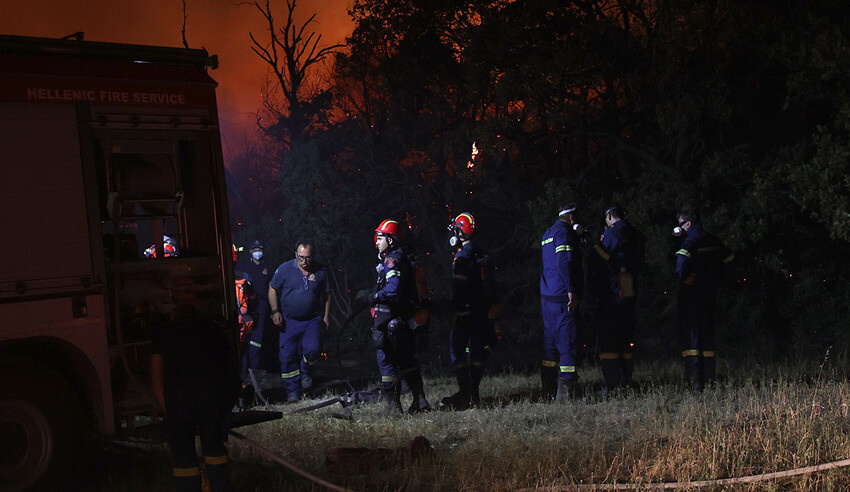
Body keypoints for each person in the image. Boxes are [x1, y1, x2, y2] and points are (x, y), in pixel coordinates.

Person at [150, 304, 239, 492]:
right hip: (213, 391)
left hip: (180, 394)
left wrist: (170, 411)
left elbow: (156, 377)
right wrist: (225, 406)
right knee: (213, 445)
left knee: (183, 451)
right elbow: (231, 366)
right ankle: (221, 487)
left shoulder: (164, 333)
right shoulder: (212, 330)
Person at [370, 219, 431, 414]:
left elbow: (392, 290)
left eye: (381, 238)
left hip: (390, 322)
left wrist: (372, 296)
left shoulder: (391, 261)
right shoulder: (405, 257)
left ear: (391, 240)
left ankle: (393, 406)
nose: (377, 242)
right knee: (407, 361)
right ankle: (420, 401)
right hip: (405, 321)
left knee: (386, 362)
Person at [674, 207, 734, 392]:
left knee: (693, 337)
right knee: (708, 336)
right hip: (710, 294)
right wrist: (718, 280)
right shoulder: (712, 239)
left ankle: (695, 383)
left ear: (688, 224)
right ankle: (710, 380)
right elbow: (730, 260)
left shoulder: (691, 241)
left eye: (680, 225)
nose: (678, 229)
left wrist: (684, 278)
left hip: (692, 296)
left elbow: (680, 263)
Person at [440, 212, 495, 409]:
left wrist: (455, 311)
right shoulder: (480, 253)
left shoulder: (462, 257)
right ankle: (474, 394)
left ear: (460, 232)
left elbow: (459, 287)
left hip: (466, 311)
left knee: (457, 352)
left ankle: (466, 393)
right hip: (481, 310)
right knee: (477, 351)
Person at [268, 240, 331, 402]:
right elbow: (272, 289)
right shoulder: (285, 269)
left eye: (307, 258)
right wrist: (275, 311)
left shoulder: (321, 271)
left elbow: (327, 294)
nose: (304, 261)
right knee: (287, 356)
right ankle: (292, 391)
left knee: (313, 348)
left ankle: (306, 370)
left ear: (313, 256)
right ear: (295, 254)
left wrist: (326, 316)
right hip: (289, 321)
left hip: (312, 320)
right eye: (300, 257)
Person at [591, 203, 643, 394]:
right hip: (630, 290)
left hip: (612, 293)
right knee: (626, 337)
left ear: (609, 217)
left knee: (609, 338)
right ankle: (626, 380)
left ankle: (612, 386)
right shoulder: (637, 234)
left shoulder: (611, 234)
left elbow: (598, 260)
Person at [539, 204, 585, 401]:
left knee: (550, 342)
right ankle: (566, 394)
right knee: (568, 341)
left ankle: (548, 390)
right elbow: (564, 262)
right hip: (561, 296)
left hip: (547, 295)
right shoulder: (564, 234)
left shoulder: (547, 233)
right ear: (572, 217)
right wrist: (571, 289)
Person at [235, 239, 274, 373]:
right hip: (246, 305)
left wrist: (273, 309)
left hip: (262, 304)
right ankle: (245, 368)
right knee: (245, 335)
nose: (257, 252)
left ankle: (254, 366)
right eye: (255, 249)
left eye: (260, 249)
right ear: (250, 251)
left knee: (258, 335)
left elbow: (272, 287)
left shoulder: (268, 266)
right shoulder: (243, 265)